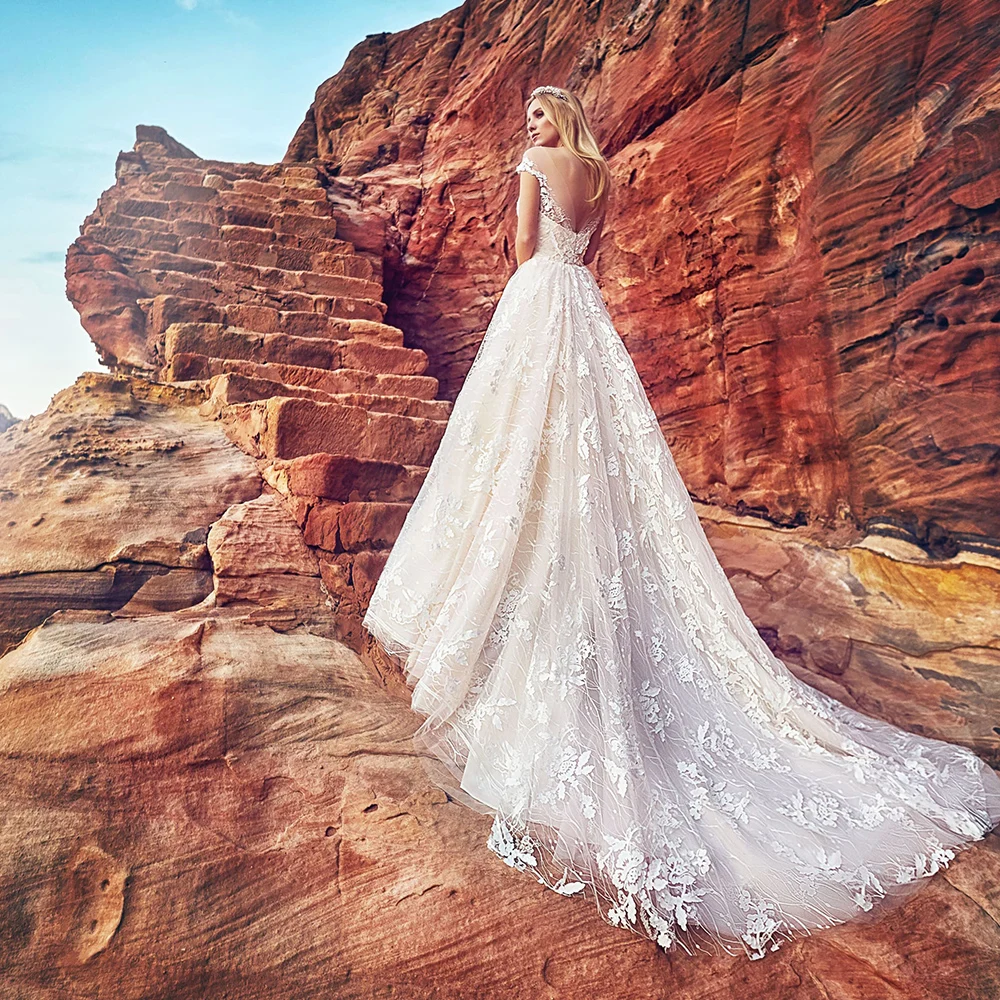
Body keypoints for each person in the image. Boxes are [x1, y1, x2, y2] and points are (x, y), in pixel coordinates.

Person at [361, 85, 1000, 960]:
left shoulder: (535, 168)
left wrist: (526, 259)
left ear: (558, 118)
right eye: (528, 125)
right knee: (588, 467)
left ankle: (503, 617)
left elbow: (523, 251)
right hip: (583, 314)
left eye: (538, 117)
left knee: (517, 454)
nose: (531, 131)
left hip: (538, 307)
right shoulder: (600, 175)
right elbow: (587, 251)